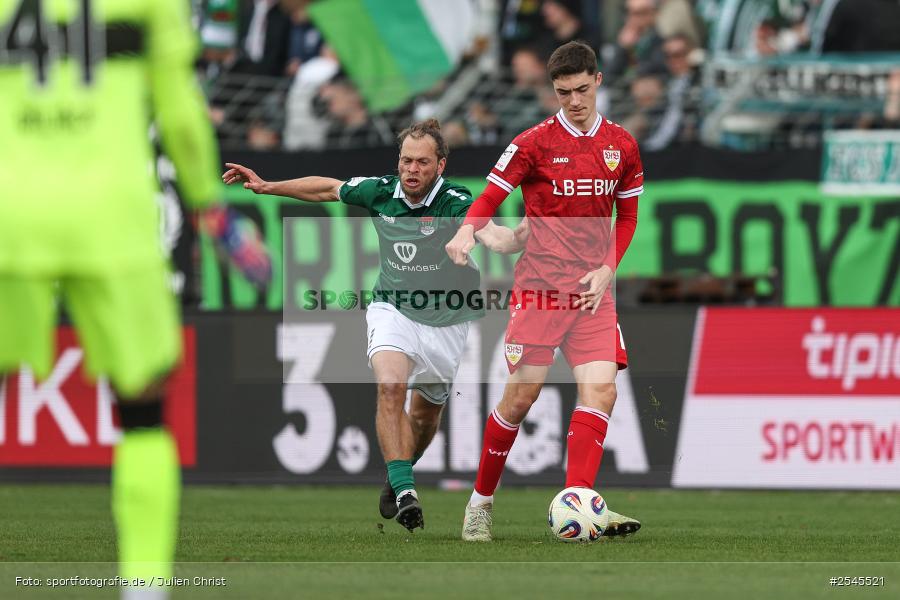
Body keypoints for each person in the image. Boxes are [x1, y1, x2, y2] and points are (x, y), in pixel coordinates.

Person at [0, 0, 260, 596]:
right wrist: (213, 213)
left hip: (8, 215)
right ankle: (144, 587)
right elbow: (181, 115)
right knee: (143, 408)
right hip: (112, 215)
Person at [222, 119, 524, 531]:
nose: (411, 170)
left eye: (421, 162)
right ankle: (405, 490)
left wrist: (515, 237)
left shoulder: (455, 200)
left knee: (424, 417)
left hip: (448, 317)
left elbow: (490, 233)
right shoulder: (381, 191)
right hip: (392, 307)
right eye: (405, 161)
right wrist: (267, 185)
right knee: (390, 386)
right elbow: (328, 188)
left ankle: (397, 471)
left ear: (440, 165)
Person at [445, 41, 643, 542]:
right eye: (562, 93)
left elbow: (629, 215)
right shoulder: (533, 142)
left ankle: (580, 503)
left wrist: (607, 268)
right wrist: (468, 232)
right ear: (552, 91)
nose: (573, 100)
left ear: (597, 81)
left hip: (592, 293)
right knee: (521, 399)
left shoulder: (623, 145)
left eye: (581, 89)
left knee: (601, 391)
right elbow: (490, 196)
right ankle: (479, 504)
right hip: (540, 291)